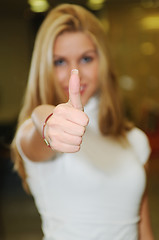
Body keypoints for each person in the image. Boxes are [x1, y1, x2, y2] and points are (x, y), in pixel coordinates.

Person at [11, 3, 154, 240]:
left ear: (103, 61)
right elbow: (36, 128)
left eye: (86, 58)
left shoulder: (135, 140)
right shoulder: (42, 133)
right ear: (44, 67)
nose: (74, 73)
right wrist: (48, 122)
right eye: (59, 62)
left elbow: (144, 230)